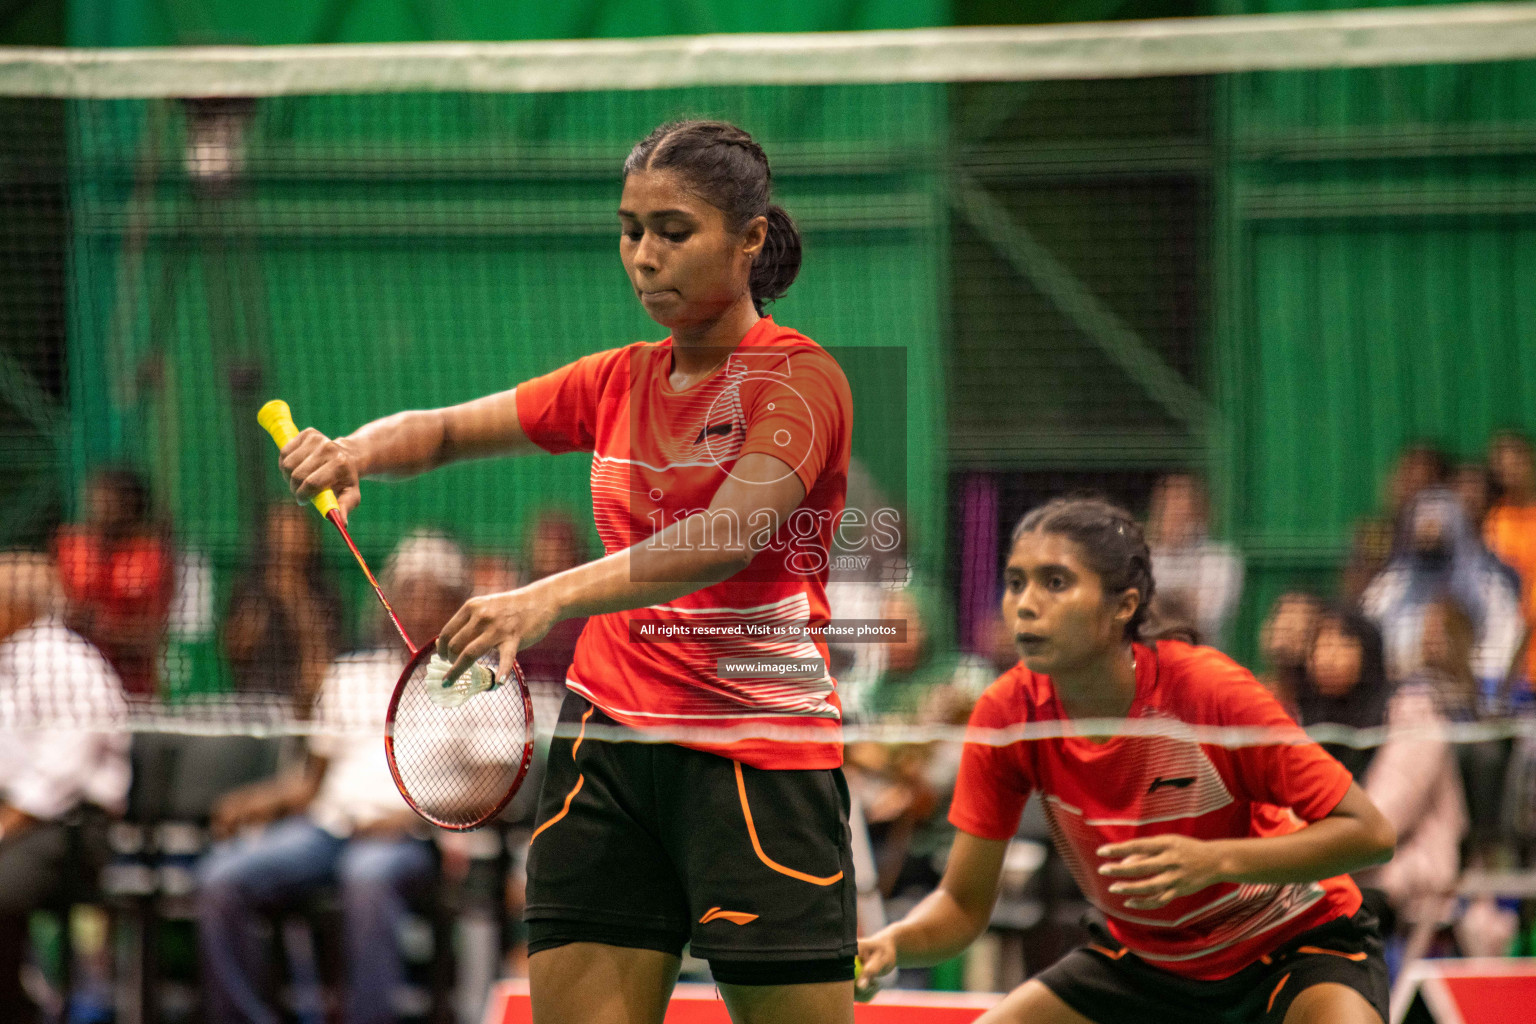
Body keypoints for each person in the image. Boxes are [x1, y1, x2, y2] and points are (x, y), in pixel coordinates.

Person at [272, 120, 858, 1024]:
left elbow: (728, 535)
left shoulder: (799, 379)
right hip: (609, 745)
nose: (644, 256)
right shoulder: (616, 380)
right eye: (631, 229)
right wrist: (353, 450)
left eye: (674, 231)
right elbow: (447, 429)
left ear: (749, 241)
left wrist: (545, 596)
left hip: (755, 756)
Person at [857, 497, 1397, 1024]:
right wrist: (893, 943)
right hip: (1148, 966)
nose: (1024, 602)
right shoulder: (1008, 712)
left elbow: (1370, 833)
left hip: (1293, 944)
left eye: (1055, 582)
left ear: (1124, 605)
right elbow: (960, 903)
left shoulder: (1206, 691)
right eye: (1016, 581)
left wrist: (1217, 862)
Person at [196, 532, 469, 1024]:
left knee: (365, 877)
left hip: (411, 837)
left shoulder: (477, 678)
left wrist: (410, 817)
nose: (418, 602)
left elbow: (489, 788)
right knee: (220, 877)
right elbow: (311, 781)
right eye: (408, 589)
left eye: (432, 591)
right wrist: (259, 800)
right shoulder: (352, 673)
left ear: (457, 603)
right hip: (327, 828)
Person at [0, 552, 130, 1022]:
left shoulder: (68, 661)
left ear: (16, 605)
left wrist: (7, 823)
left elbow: (61, 773)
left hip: (72, 828)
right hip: (18, 823)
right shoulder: (7, 658)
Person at [1361, 487, 1522, 698]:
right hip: (1401, 689)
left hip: (1473, 691)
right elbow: (1369, 636)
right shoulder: (1391, 583)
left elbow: (1504, 644)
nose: (1429, 530)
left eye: (1436, 523)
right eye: (1423, 523)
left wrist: (1462, 670)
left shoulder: (1487, 584)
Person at [52, 467, 175, 696]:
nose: (99, 507)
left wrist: (103, 629)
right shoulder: (71, 548)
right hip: (74, 687)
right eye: (96, 498)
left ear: (130, 504)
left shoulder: (151, 557)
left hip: (132, 690)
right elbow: (53, 614)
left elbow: (151, 636)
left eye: (109, 499)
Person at [223, 501, 344, 706]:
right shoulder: (250, 589)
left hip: (309, 704)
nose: (288, 539)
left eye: (296, 530)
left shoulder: (324, 594)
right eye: (281, 531)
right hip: (257, 701)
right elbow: (237, 647)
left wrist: (295, 599)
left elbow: (324, 658)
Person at [1144, 473, 1244, 650]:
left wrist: (1157, 601)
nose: (1174, 513)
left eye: (1183, 506)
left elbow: (1205, 617)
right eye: (1167, 505)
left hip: (1201, 653)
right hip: (1148, 653)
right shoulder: (1143, 556)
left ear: (1199, 513)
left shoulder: (1220, 559)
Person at [1485, 430, 1536, 695]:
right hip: (1507, 650)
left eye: (1516, 462)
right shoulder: (1493, 521)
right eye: (1502, 467)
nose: (1510, 472)